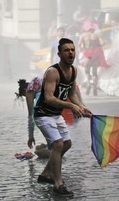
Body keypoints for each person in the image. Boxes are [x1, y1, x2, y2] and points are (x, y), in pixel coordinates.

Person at [34, 38, 92, 196]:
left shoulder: (74, 70)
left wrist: (82, 107)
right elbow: (49, 97)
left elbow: (71, 93)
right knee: (58, 144)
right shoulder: (53, 72)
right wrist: (70, 106)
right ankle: (58, 184)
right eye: (66, 50)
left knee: (66, 144)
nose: (70, 53)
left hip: (56, 115)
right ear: (59, 54)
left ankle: (46, 174)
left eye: (72, 50)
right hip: (43, 114)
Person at [78, 22, 108, 96]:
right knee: (94, 72)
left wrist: (82, 50)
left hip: (87, 54)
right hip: (95, 54)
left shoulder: (83, 35)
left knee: (87, 71)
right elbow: (103, 43)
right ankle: (94, 86)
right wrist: (97, 46)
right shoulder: (96, 35)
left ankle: (88, 83)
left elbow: (79, 44)